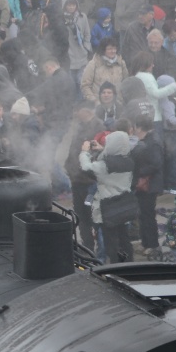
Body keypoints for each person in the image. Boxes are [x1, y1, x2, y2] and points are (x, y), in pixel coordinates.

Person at [80, 131, 135, 263]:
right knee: (124, 239)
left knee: (111, 242)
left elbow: (86, 168)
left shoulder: (106, 165)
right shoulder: (129, 161)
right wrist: (102, 149)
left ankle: (116, 268)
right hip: (125, 204)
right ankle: (129, 265)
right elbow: (116, 155)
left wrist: (84, 152)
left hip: (109, 207)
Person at [64, 101, 105, 252]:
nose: (75, 113)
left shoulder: (99, 128)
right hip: (77, 179)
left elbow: (98, 155)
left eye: (78, 110)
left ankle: (101, 250)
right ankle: (87, 247)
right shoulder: (80, 126)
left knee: (94, 216)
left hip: (90, 181)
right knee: (80, 216)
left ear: (87, 111)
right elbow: (73, 150)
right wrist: (69, 166)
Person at [130, 116, 165, 260]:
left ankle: (152, 244)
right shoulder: (149, 140)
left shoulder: (153, 142)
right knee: (143, 214)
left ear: (139, 128)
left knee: (148, 215)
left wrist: (138, 172)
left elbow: (156, 164)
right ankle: (145, 242)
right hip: (146, 184)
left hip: (149, 185)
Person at [158, 75, 176, 194]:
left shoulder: (162, 99)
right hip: (170, 134)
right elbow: (171, 120)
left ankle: (166, 183)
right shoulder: (166, 102)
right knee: (172, 160)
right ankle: (172, 185)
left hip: (163, 133)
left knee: (167, 160)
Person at [60, 0, 91, 88]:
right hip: (69, 55)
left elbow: (87, 33)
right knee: (71, 83)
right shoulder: (61, 19)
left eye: (73, 5)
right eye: (69, 5)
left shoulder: (82, 17)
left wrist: (86, 46)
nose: (71, 7)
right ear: (64, 6)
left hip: (82, 54)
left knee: (81, 82)